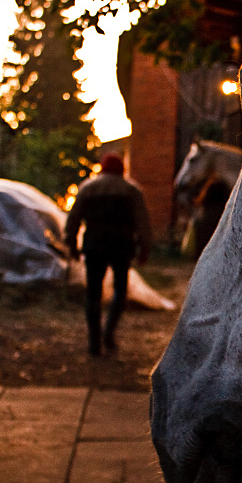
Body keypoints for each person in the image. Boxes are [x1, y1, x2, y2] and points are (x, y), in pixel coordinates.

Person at [65, 152, 152, 356]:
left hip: (94, 246)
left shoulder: (88, 188)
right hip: (121, 246)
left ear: (102, 168)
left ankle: (94, 342)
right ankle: (109, 333)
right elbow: (143, 222)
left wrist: (71, 242)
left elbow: (74, 217)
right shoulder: (131, 190)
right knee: (120, 291)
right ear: (121, 170)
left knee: (93, 294)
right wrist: (145, 248)